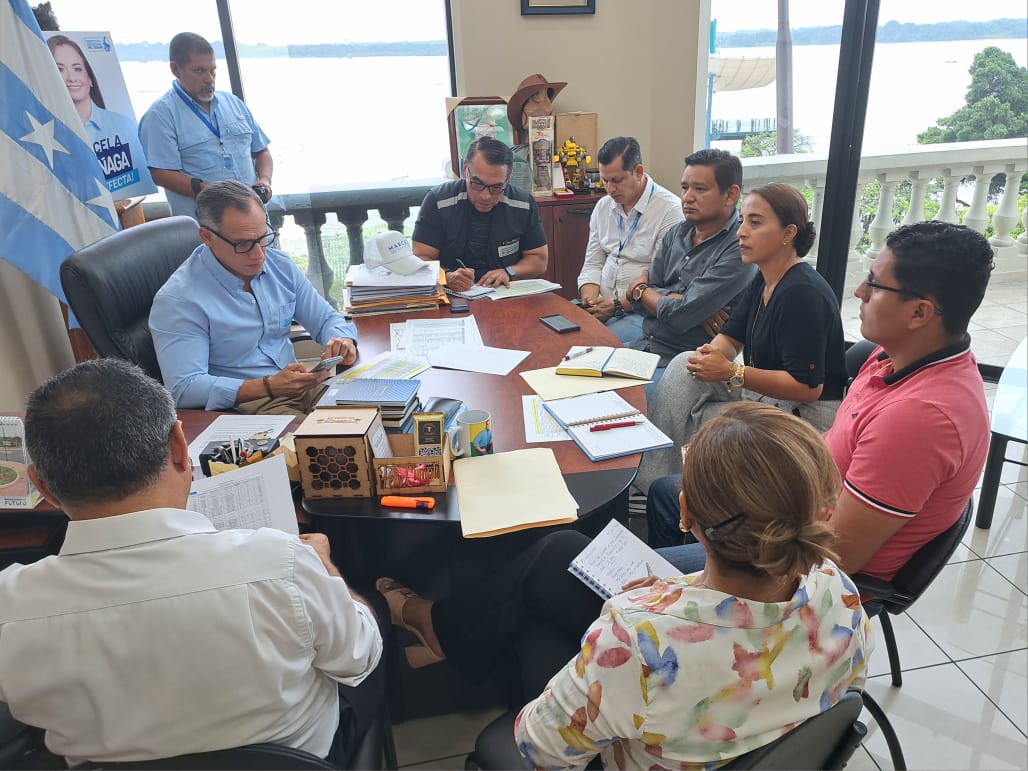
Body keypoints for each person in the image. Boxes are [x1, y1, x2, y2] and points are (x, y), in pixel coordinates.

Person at [376, 403, 872, 770]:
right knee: (557, 565)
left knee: (536, 626)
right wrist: (673, 595)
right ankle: (441, 628)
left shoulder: (635, 637)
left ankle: (438, 629)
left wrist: (639, 614)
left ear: (684, 513)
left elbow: (535, 748)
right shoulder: (841, 592)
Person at [0, 359, 382, 765]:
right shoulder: (281, 564)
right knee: (367, 619)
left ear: (42, 485)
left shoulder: (9, 608)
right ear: (180, 448)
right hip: (299, 759)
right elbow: (358, 657)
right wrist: (326, 569)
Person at [651, 221, 993, 588]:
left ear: (919, 313)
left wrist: (697, 576)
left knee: (640, 574)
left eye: (875, 284)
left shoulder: (919, 419)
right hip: (802, 501)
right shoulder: (896, 356)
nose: (859, 291)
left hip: (809, 572)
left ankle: (701, 608)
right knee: (668, 493)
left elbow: (837, 555)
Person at [634, 181, 846, 495]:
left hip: (804, 416)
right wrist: (709, 356)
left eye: (755, 223)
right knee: (683, 364)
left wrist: (731, 372)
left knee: (695, 418)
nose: (741, 232)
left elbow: (807, 388)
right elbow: (730, 337)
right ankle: (654, 482)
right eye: (743, 221)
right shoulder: (764, 278)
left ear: (788, 233)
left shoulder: (802, 293)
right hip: (769, 397)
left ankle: (663, 488)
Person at [150, 180, 357, 416]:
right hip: (245, 406)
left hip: (302, 386)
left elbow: (327, 319)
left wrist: (342, 341)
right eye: (243, 244)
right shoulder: (178, 300)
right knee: (333, 436)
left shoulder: (279, 265)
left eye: (263, 238)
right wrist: (269, 386)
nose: (259, 255)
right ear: (207, 237)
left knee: (376, 411)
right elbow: (184, 388)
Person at [622, 149, 756, 390]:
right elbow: (642, 303)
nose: (687, 198)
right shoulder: (677, 233)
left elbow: (680, 316)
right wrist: (684, 303)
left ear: (730, 195)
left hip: (688, 362)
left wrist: (642, 290)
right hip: (646, 345)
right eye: (685, 188)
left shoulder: (740, 247)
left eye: (700, 189)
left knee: (616, 400)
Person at [138, 32, 274, 219]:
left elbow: (261, 151)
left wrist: (264, 181)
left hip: (255, 219)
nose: (209, 79)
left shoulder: (233, 103)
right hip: (206, 224)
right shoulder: (160, 115)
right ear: (176, 69)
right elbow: (160, 173)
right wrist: (208, 192)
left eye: (213, 71)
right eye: (199, 71)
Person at [576, 137, 684, 345]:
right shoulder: (603, 206)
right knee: (556, 332)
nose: (609, 189)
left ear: (639, 172)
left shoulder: (670, 211)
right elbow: (593, 263)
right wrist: (590, 300)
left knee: (593, 344)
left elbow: (661, 284)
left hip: (639, 312)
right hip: (601, 303)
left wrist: (615, 305)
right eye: (604, 180)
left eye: (617, 180)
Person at [412, 136, 548, 292]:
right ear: (465, 169)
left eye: (496, 187)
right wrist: (446, 276)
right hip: (451, 294)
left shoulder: (523, 204)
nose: (485, 196)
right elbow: (420, 259)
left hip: (503, 292)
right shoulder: (438, 201)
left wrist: (508, 272)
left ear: (508, 178)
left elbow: (539, 260)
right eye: (477, 183)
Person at [48, 34, 156, 195]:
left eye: (77, 68)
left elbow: (139, 184)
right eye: (59, 69)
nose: (71, 78)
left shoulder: (122, 125)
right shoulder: (45, 132)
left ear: (90, 77)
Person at [506, 73, 566, 145]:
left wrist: (549, 122)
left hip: (547, 139)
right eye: (535, 92)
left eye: (541, 91)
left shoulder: (548, 106)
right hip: (532, 139)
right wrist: (539, 124)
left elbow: (552, 122)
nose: (538, 94)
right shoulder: (527, 109)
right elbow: (525, 125)